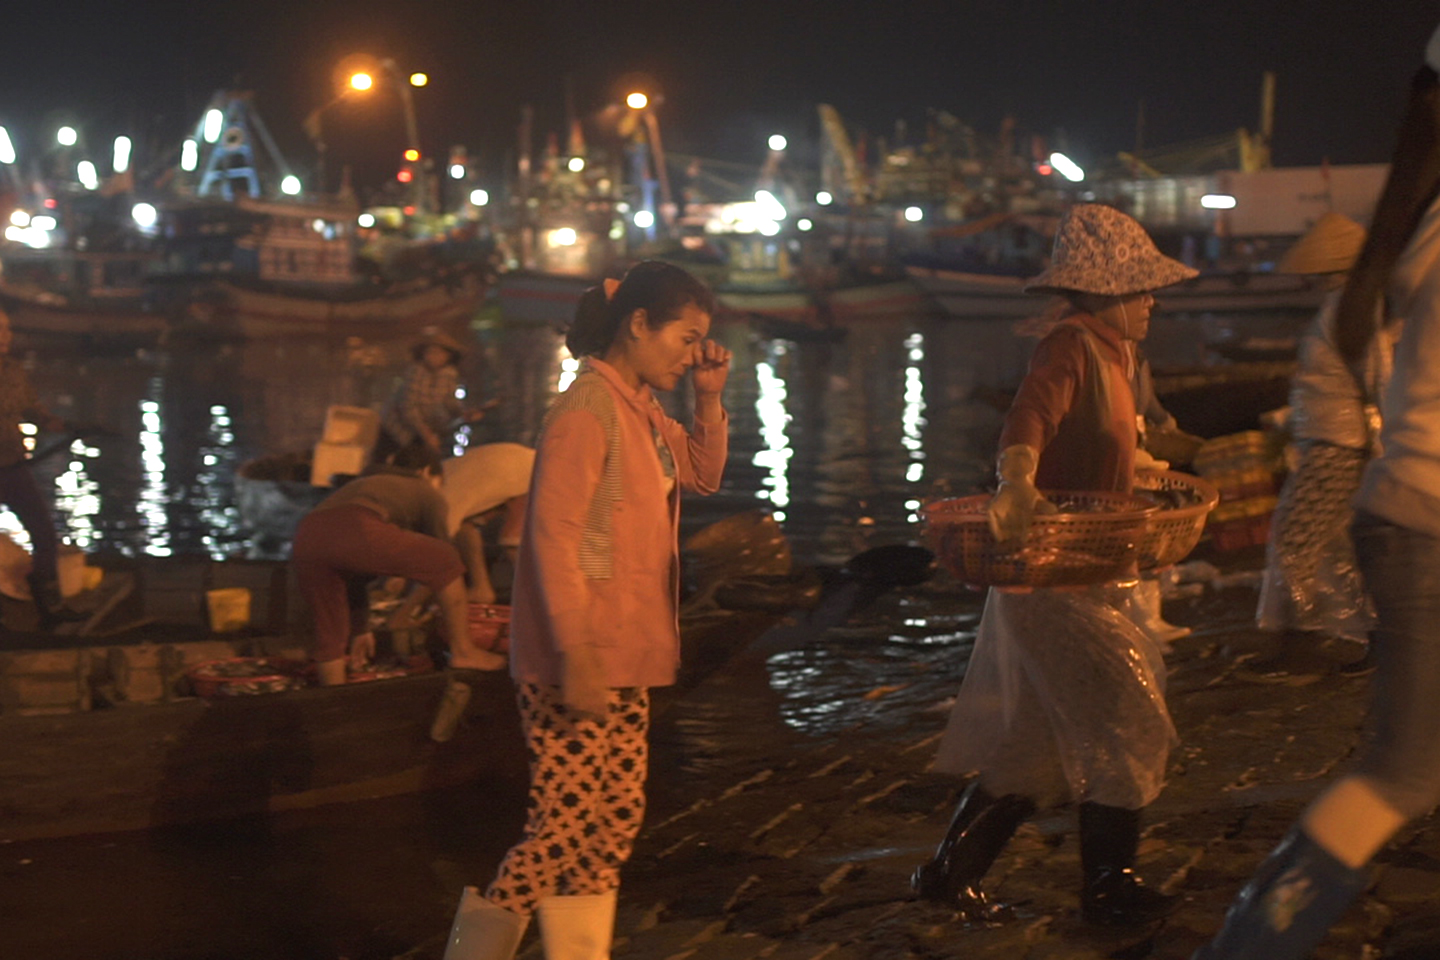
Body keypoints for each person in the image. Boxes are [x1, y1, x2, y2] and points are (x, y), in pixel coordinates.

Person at [1195, 28, 1440, 959]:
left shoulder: (1411, 232)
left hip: (1400, 504)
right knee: (1403, 772)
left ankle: (1247, 942)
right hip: (1423, 515)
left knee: (1401, 772)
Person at [913, 204, 1198, 926]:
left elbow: (1105, 450)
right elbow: (1028, 420)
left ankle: (948, 875)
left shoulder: (1119, 354)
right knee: (1133, 722)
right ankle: (1109, 889)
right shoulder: (1070, 345)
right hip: (1055, 578)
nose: (1152, 302)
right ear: (1104, 293)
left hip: (1092, 572)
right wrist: (1016, 481)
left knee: (1037, 750)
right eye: (1140, 290)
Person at [439, 261, 731, 960]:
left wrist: (709, 398)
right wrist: (576, 649)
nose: (691, 353)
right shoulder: (586, 410)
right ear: (638, 324)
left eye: (700, 342)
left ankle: (578, 953)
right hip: (581, 652)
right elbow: (555, 538)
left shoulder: (640, 407)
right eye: (685, 338)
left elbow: (703, 474)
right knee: (562, 828)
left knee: (614, 821)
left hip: (627, 648)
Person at [1248, 212, 1398, 682]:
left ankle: (1301, 650)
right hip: (1331, 441)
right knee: (1334, 546)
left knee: (1295, 542)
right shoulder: (1349, 307)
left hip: (1335, 447)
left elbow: (1379, 382)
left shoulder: (1351, 311)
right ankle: (1374, 643)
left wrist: (1386, 445)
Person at [290, 444, 504, 687]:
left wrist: (361, 629)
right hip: (356, 524)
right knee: (447, 558)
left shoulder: (369, 483)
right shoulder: (425, 490)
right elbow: (441, 562)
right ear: (426, 472)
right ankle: (464, 651)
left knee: (330, 628)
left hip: (306, 535)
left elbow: (355, 576)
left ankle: (335, 696)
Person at [0, 308, 81, 630]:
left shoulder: (13, 370)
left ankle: (48, 605)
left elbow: (31, 410)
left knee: (44, 534)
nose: (6, 336)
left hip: (12, 465)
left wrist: (59, 424)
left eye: (7, 329)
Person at [441, 442, 535, 604]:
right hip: (512, 464)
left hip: (520, 468)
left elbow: (511, 540)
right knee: (465, 532)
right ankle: (482, 588)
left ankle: (535, 600)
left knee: (512, 542)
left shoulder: (442, 503)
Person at [376, 327, 489, 461]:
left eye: (438, 353)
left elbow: (450, 402)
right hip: (399, 428)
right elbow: (409, 408)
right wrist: (426, 434)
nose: (433, 357)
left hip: (425, 431)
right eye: (429, 352)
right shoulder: (416, 372)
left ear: (448, 356)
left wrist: (464, 414)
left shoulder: (449, 374)